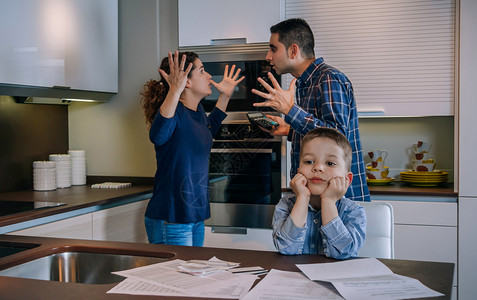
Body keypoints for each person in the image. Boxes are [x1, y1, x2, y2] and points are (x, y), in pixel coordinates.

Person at [252, 18, 370, 202]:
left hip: (339, 201)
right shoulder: (305, 83)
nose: (268, 56)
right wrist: (289, 129)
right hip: (317, 199)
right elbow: (320, 134)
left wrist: (290, 111)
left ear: (293, 50)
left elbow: (337, 137)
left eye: (273, 48)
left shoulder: (328, 79)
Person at [140, 51, 244, 246]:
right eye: (203, 71)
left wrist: (225, 96)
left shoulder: (198, 114)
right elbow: (158, 136)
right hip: (172, 217)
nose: (209, 76)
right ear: (186, 82)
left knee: (193, 275)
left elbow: (207, 131)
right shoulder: (174, 112)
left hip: (194, 215)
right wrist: (174, 91)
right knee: (175, 277)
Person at [272, 128, 366, 259]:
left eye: (330, 163)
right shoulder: (285, 205)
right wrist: (303, 198)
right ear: (298, 171)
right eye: (309, 161)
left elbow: (344, 252)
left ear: (347, 179)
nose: (318, 167)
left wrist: (328, 201)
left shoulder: (353, 212)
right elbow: (286, 248)